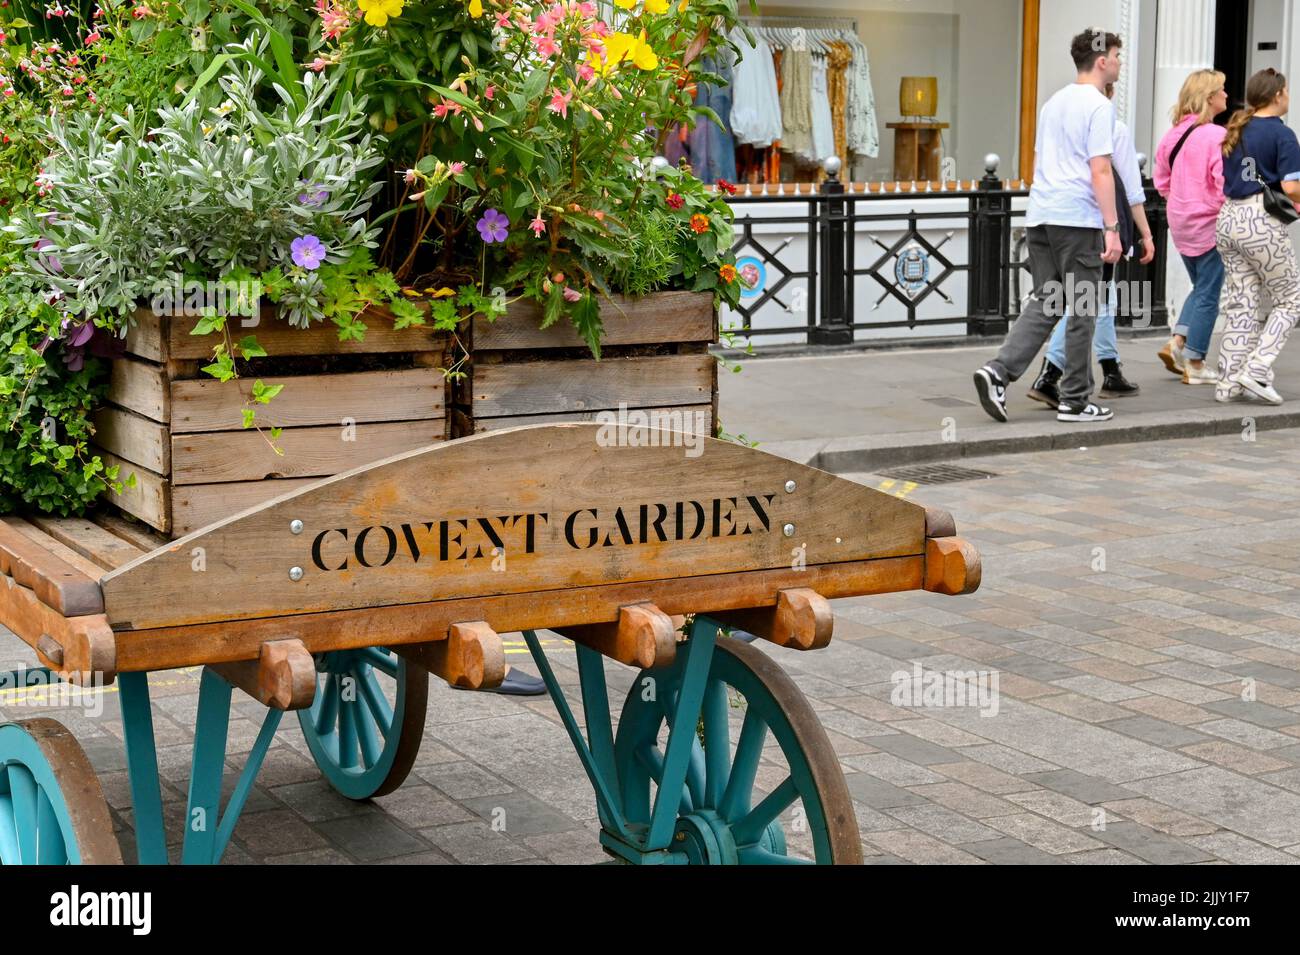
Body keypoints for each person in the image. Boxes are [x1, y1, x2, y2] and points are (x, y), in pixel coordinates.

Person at [973, 29, 1124, 424]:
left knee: (1049, 300)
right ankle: (1075, 399)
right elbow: (1101, 168)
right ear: (1102, 60)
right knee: (1083, 309)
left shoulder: (1052, 103)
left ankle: (998, 371)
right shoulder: (1099, 106)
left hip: (1042, 213)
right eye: (1117, 56)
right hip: (1077, 219)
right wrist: (1112, 226)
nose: (1120, 63)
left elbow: (1039, 161)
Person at [1028, 80, 1154, 407]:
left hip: (1055, 220)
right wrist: (1144, 233)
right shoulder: (1114, 126)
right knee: (1085, 302)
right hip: (1094, 226)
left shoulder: (1056, 117)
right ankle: (1056, 377)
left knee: (1085, 300)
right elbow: (1128, 182)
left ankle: (1105, 369)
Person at [1214, 67, 1300, 404]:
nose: (1289, 97)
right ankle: (1258, 369)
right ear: (1277, 95)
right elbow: (1291, 187)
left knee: (1242, 302)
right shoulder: (1283, 135)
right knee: (1291, 298)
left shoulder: (1237, 128)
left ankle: (1229, 381)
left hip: (1229, 218)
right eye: (1287, 91)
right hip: (1260, 221)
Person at [1153, 69, 1228, 385]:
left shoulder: (1172, 135)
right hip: (1208, 224)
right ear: (1210, 97)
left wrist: (1182, 201)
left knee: (1201, 286)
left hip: (1181, 224)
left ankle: (1178, 342)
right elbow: (1225, 182)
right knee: (1210, 292)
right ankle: (1195, 363)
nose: (1227, 94)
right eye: (1222, 90)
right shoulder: (1215, 135)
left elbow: (1161, 182)